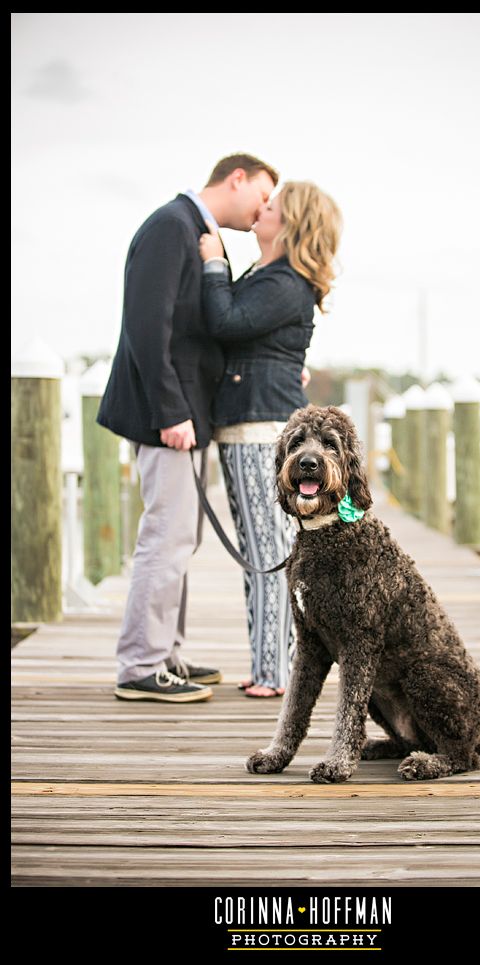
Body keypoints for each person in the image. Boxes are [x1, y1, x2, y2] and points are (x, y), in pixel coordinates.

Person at [97, 154, 279, 702]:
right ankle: (140, 665)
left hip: (186, 415)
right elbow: (148, 327)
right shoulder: (170, 227)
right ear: (237, 178)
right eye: (263, 196)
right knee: (167, 536)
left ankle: (166, 653)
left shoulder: (195, 231)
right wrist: (171, 411)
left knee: (183, 536)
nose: (265, 210)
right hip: (168, 416)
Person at [199, 180, 342, 697]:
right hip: (251, 423)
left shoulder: (284, 281)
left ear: (292, 224)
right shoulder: (272, 274)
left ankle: (273, 672)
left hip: (260, 429)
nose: (262, 209)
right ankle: (270, 664)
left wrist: (214, 262)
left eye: (272, 206)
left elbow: (227, 320)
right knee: (263, 549)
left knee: (266, 553)